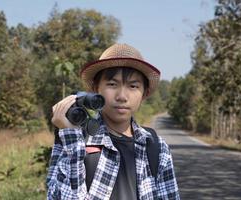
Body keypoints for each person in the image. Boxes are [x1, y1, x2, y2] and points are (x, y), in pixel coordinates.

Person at [47, 43, 180, 200]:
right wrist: (70, 137)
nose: (122, 96)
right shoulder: (75, 139)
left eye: (133, 86)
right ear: (96, 89)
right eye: (112, 84)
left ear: (144, 93)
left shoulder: (157, 147)